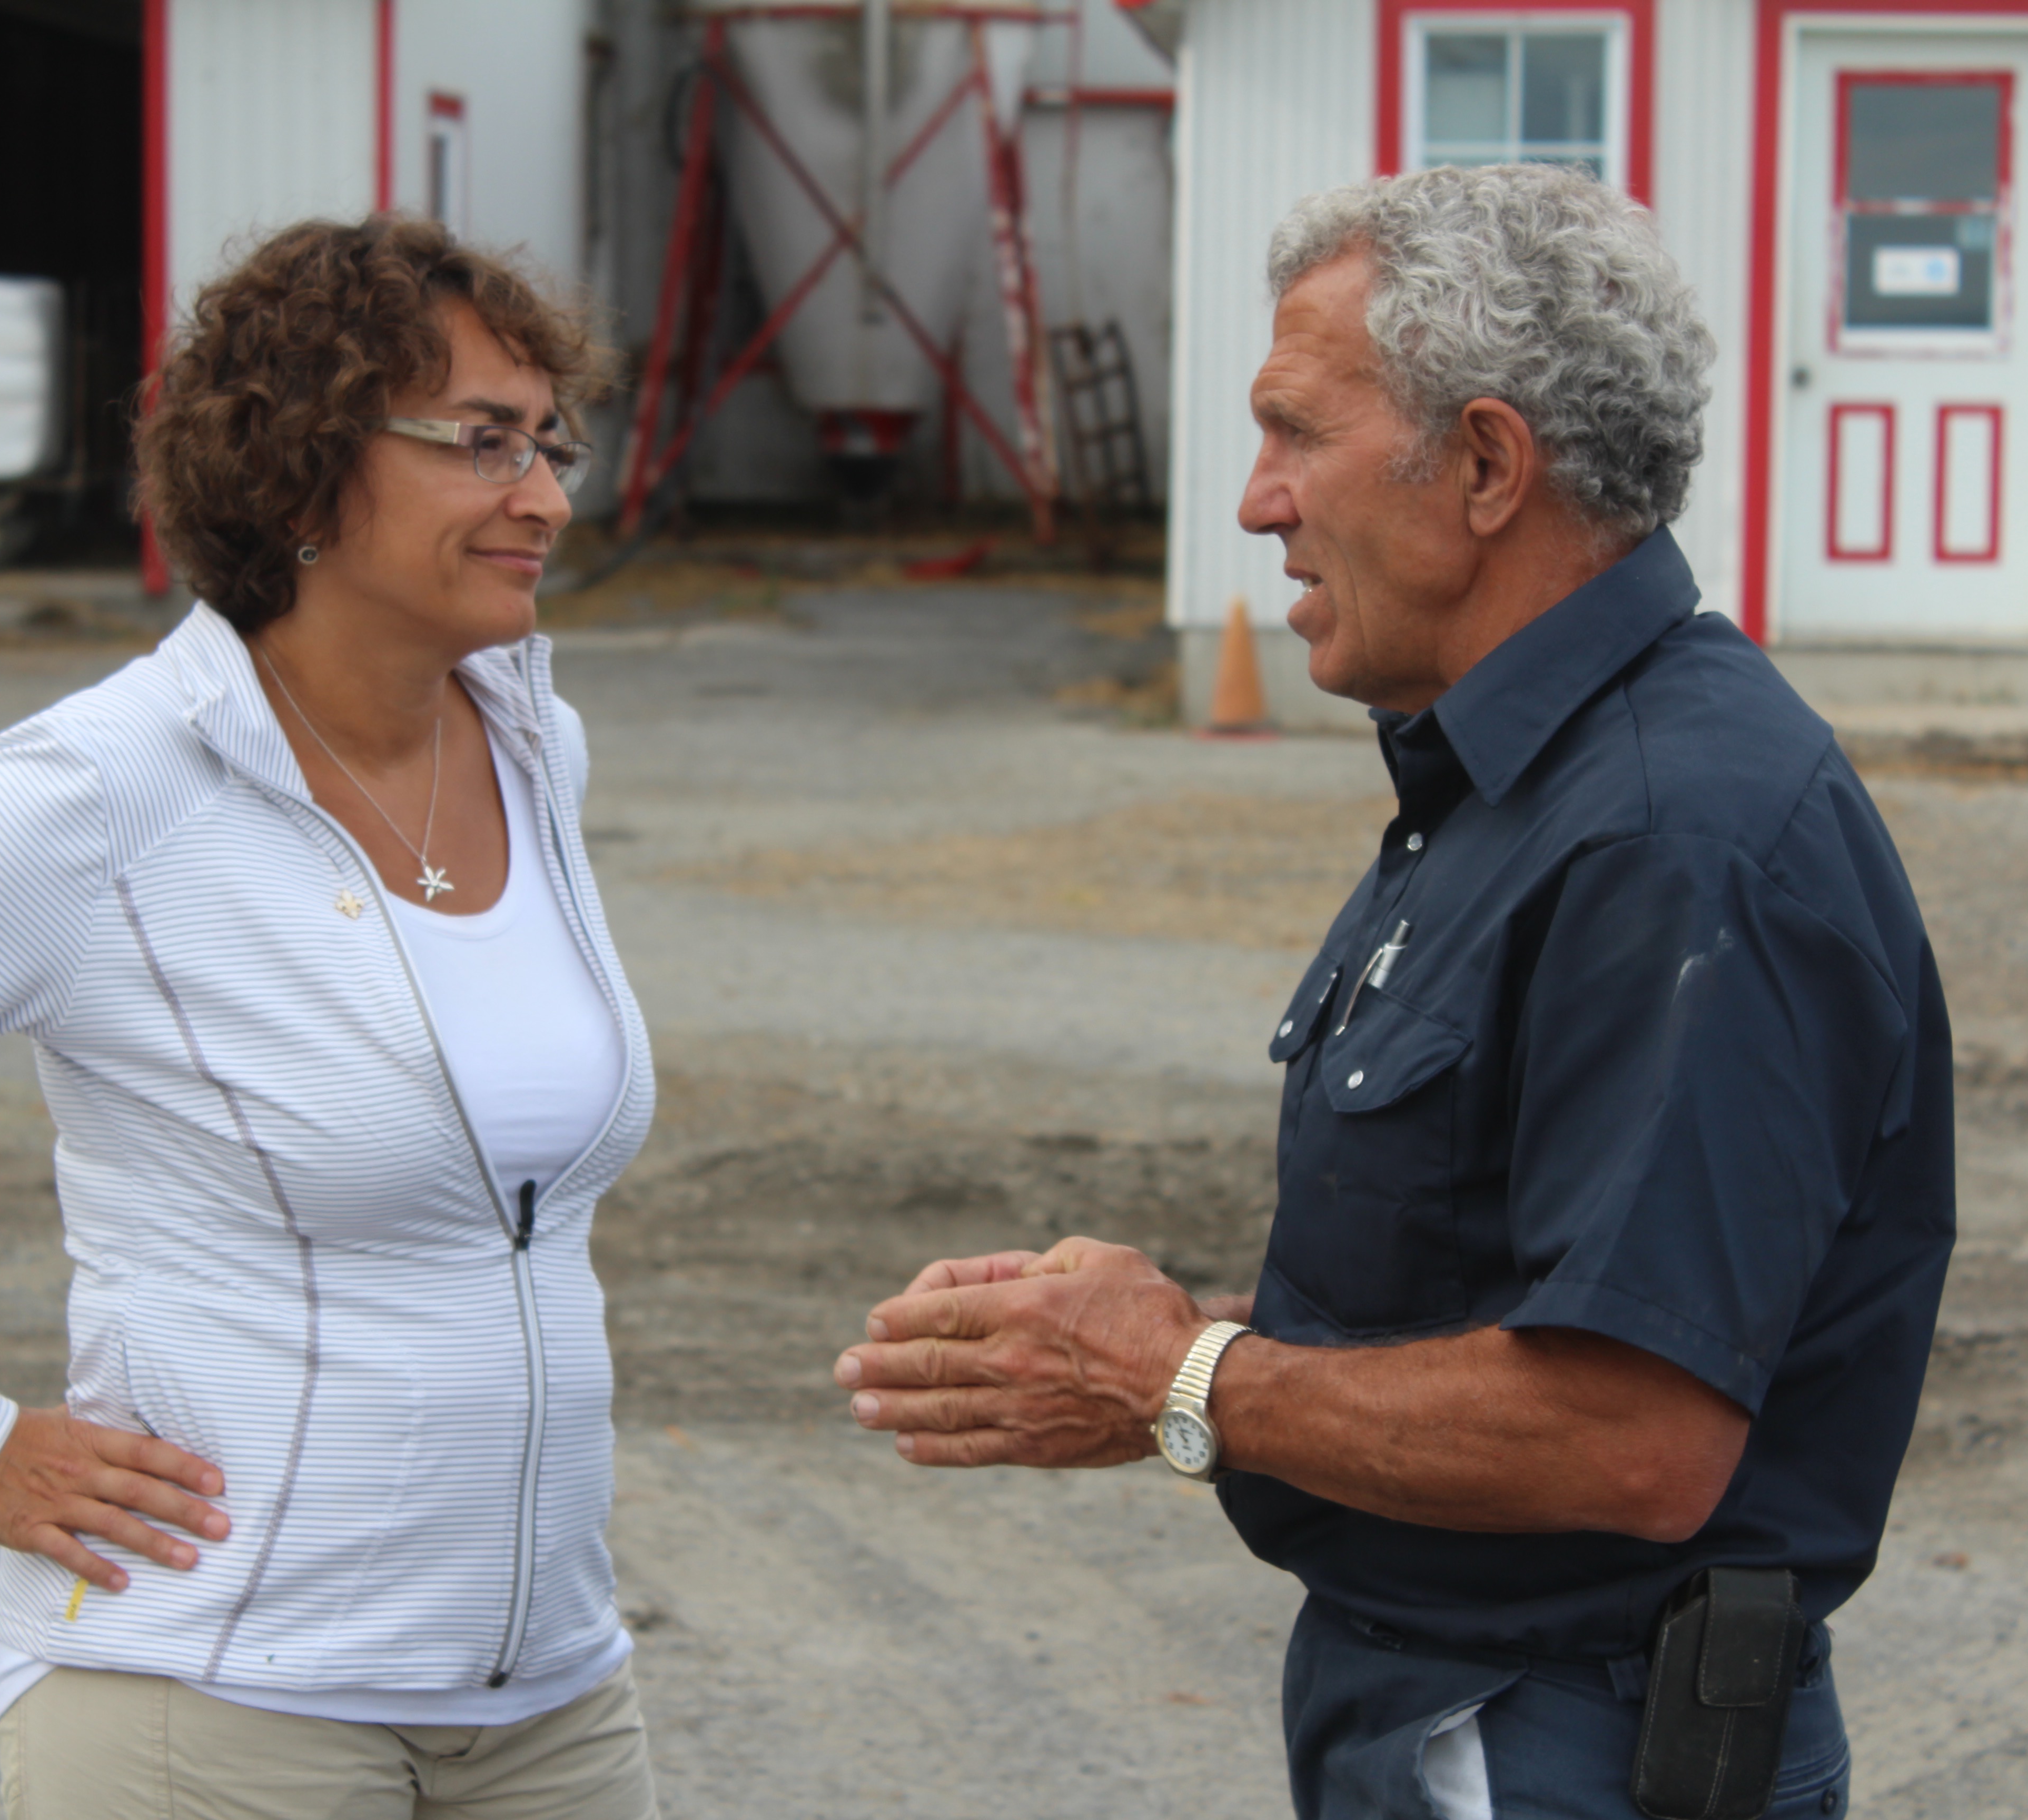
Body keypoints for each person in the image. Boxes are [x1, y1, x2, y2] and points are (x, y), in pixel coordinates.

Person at [834, 164, 1952, 1820]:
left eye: (1296, 430)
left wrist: (1182, 1377)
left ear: (1488, 464)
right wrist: (1165, 1360)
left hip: (1567, 1743)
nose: (1256, 502)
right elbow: (1490, 1292)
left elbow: (1632, 1434)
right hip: (1469, 1713)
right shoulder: (1530, 786)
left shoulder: (1673, 833)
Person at [0, 216, 664, 1819]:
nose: (544, 495)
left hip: (548, 1696)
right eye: (482, 445)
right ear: (308, 468)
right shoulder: (102, 791)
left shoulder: (534, 742)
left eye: (550, 443)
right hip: (218, 1703)